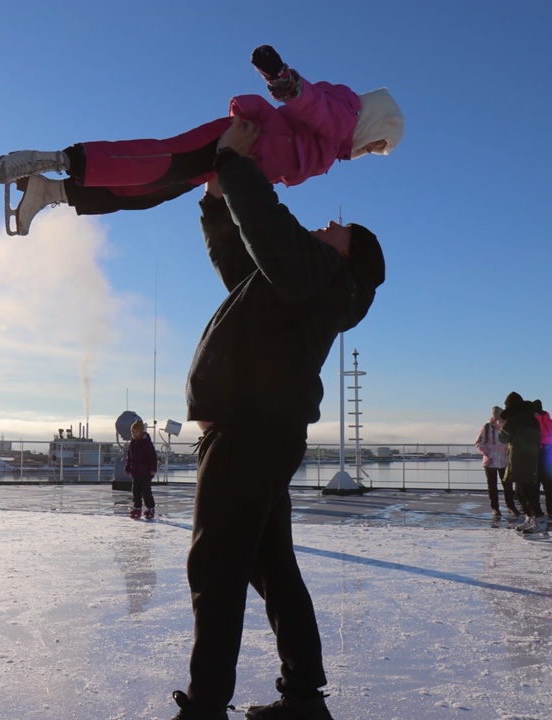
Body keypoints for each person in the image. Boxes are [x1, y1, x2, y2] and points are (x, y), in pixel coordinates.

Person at [169, 116, 385, 720]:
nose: (325, 225)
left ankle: (206, 707)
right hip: (259, 434)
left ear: (347, 258)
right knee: (270, 567)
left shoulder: (317, 274)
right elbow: (243, 258)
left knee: (217, 568)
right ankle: (303, 698)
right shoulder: (298, 282)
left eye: (336, 230)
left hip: (248, 433)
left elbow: (269, 227)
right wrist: (216, 202)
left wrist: (237, 165)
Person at [0, 45, 404, 235]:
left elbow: (287, 164)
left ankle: (50, 190)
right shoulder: (344, 117)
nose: (368, 151)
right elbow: (312, 106)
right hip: (242, 138)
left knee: (151, 192)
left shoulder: (331, 151)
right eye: (376, 144)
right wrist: (284, 81)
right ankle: (50, 160)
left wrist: (235, 183)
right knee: (155, 162)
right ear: (375, 125)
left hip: (235, 161)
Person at [498, 391, 547, 534]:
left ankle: (538, 518)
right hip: (531, 458)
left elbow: (502, 438)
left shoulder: (514, 420)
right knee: (524, 489)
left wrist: (502, 426)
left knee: (524, 490)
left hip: (519, 457)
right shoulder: (532, 419)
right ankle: (530, 518)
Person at [475, 406, 518, 518]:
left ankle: (510, 506)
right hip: (490, 462)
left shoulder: (506, 427)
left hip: (504, 461)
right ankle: (495, 508)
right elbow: (479, 443)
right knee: (492, 486)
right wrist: (488, 453)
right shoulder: (488, 427)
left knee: (507, 485)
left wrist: (508, 453)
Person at [533, 400, 552, 520]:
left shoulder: (533, 423)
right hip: (548, 455)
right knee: (548, 483)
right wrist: (549, 444)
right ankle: (551, 510)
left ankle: (538, 511)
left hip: (542, 455)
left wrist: (543, 443)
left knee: (538, 484)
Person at [124, 418, 158, 519]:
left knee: (146, 491)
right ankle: (137, 507)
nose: (134, 434)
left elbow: (152, 457)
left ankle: (150, 508)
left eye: (136, 431)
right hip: (136, 472)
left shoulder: (147, 443)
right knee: (136, 491)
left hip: (146, 472)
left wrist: (152, 469)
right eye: (133, 432)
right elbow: (130, 457)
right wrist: (128, 467)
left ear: (141, 431)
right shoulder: (133, 444)